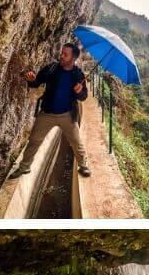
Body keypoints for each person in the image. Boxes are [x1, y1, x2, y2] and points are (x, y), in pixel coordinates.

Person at [12, 43, 90, 178]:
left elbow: (83, 96)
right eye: (61, 53)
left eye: (65, 54)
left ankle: (83, 166)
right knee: (34, 141)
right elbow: (36, 82)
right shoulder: (52, 68)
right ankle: (24, 167)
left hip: (67, 115)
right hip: (47, 113)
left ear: (73, 58)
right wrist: (30, 78)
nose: (61, 56)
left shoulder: (78, 74)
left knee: (76, 142)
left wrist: (79, 91)